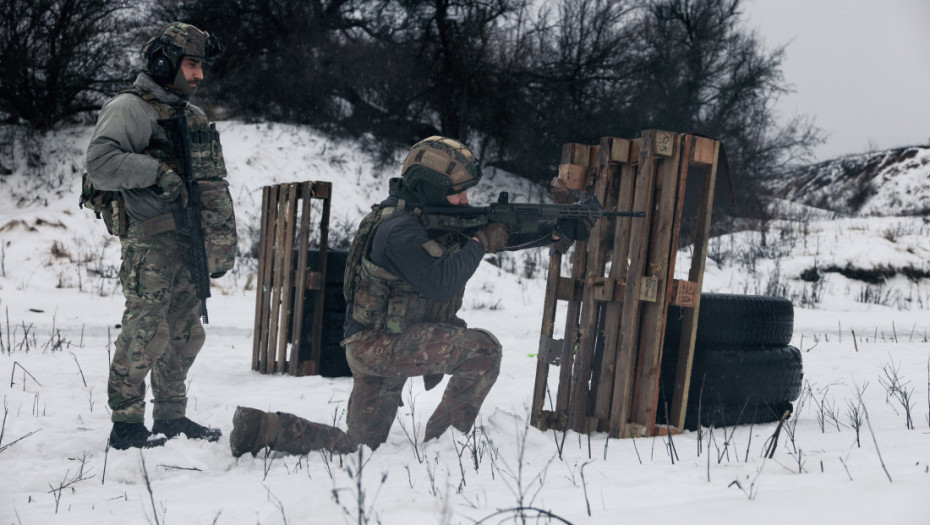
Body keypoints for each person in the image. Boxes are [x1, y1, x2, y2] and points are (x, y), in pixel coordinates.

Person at [230, 136, 592, 457]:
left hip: (381, 343)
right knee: (484, 350)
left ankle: (266, 429)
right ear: (429, 187)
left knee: (359, 449)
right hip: (379, 345)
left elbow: (496, 233)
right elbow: (441, 282)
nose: (465, 200)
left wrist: (555, 231)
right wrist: (481, 242)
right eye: (458, 192)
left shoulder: (425, 216)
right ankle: (443, 448)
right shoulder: (398, 230)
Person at [85, 22, 235, 450]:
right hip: (150, 241)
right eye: (191, 64)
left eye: (201, 66)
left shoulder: (191, 115)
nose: (198, 75)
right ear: (164, 62)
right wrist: (155, 172)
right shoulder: (131, 108)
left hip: (189, 243)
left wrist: (219, 239)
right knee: (146, 330)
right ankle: (126, 423)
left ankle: (171, 415)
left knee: (186, 332)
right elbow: (100, 162)